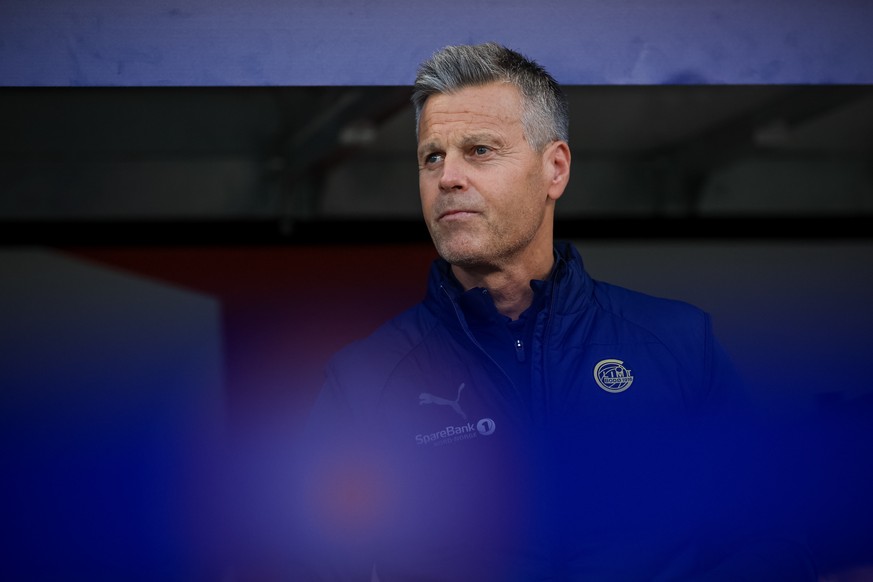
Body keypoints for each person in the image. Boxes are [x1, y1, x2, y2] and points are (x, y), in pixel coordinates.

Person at [296, 42, 818, 581]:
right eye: (432, 157)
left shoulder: (678, 342)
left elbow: (771, 536)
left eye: (479, 150)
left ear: (555, 169)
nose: (447, 177)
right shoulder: (365, 379)